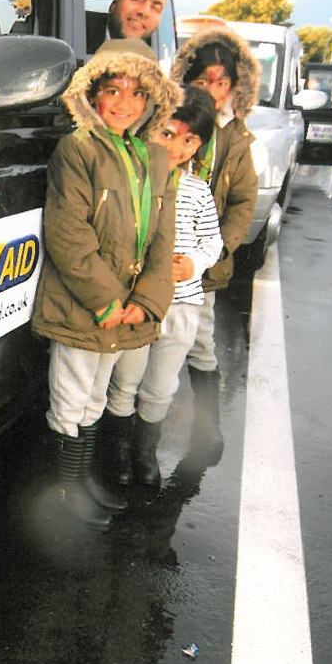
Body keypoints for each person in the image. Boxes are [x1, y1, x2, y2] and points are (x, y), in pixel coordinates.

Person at [30, 38, 181, 531]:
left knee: (96, 397)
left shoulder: (152, 159)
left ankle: (85, 481)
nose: (124, 103)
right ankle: (66, 490)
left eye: (138, 94)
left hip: (126, 310)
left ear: (153, 103)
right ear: (91, 94)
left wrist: (147, 302)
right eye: (112, 89)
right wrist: (108, 300)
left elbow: (163, 237)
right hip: (84, 306)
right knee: (71, 398)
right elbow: (68, 233)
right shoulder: (77, 150)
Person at [101, 87, 223, 488]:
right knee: (125, 379)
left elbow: (212, 241)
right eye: (167, 134)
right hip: (137, 302)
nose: (177, 147)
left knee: (161, 384)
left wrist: (194, 264)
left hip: (183, 303)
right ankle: (117, 452)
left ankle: (144, 452)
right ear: (150, 129)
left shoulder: (197, 189)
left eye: (189, 140)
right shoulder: (131, 181)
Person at [170, 26, 260, 465]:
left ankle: (208, 427)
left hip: (202, 266)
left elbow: (243, 200)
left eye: (221, 82)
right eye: (202, 81)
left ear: (233, 88)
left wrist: (216, 250)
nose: (212, 90)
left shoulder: (236, 138)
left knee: (200, 342)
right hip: (159, 260)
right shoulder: (172, 125)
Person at [86, 0, 169, 51]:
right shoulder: (79, 31)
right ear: (113, 6)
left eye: (155, 8)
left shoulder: (149, 61)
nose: (144, 12)